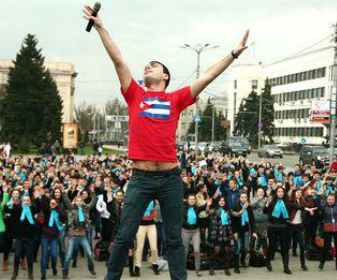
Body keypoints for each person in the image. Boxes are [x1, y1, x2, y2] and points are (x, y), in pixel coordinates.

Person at [82, 4, 249, 280]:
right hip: (140, 178)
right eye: (147, 65)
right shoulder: (135, 94)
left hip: (171, 178)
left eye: (154, 65)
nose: (147, 66)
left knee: (173, 239)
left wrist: (233, 54)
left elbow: (207, 76)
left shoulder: (176, 98)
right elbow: (119, 61)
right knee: (124, 236)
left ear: (165, 76)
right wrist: (101, 28)